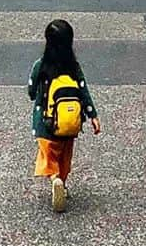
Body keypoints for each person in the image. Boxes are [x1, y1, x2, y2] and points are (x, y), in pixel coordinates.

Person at [27, 18, 100, 213]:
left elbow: (32, 91)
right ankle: (63, 183)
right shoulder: (74, 67)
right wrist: (92, 115)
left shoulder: (40, 65)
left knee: (47, 155)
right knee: (64, 156)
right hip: (70, 123)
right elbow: (84, 91)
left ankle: (54, 179)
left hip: (46, 122)